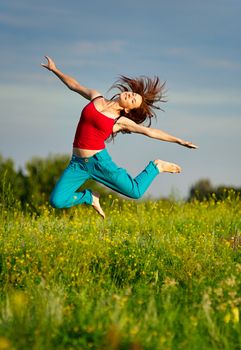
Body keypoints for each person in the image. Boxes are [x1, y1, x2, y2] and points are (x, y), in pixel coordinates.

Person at [41, 56, 198, 218]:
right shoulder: (96, 97)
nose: (130, 96)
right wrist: (55, 70)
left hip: (100, 163)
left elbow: (150, 132)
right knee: (56, 201)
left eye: (133, 100)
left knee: (135, 192)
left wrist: (179, 141)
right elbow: (74, 85)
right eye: (132, 94)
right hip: (78, 164)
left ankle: (156, 167)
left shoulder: (119, 121)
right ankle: (89, 197)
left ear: (129, 110)